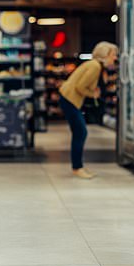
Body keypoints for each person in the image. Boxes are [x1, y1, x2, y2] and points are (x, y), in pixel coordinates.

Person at [58, 41, 118, 179]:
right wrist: (93, 94)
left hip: (68, 99)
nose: (114, 58)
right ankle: (77, 167)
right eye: (113, 55)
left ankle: (77, 166)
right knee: (81, 132)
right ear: (105, 54)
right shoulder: (95, 66)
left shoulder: (94, 65)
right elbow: (80, 87)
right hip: (70, 100)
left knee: (79, 132)